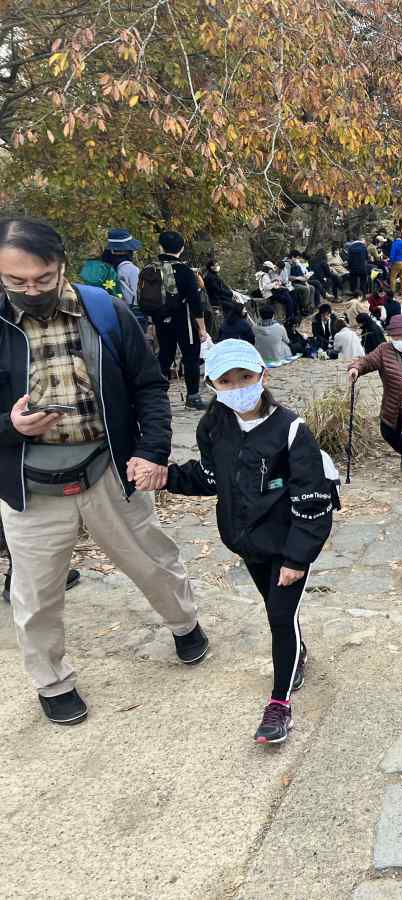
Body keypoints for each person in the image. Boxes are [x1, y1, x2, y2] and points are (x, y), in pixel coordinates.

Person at [0, 217, 208, 725]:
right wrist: (11, 427)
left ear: (62, 265)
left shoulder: (105, 312)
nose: (31, 291)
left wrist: (153, 451)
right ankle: (52, 682)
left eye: (42, 279)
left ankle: (185, 625)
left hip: (108, 468)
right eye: (15, 283)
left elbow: (149, 386)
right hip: (30, 487)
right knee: (36, 596)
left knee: (153, 561)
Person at [165, 339, 333, 744]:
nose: (238, 385)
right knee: (278, 615)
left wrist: (297, 558)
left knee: (279, 617)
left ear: (263, 375)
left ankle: (279, 704)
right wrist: (166, 477)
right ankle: (297, 653)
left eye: (245, 376)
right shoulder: (214, 427)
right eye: (226, 379)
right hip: (248, 543)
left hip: (288, 546)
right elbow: (210, 478)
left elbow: (313, 500)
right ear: (212, 384)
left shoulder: (290, 430)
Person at [348, 316, 402, 487]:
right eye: (396, 337)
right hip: (394, 402)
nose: (400, 341)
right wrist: (356, 368)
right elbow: (367, 361)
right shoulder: (384, 350)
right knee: (387, 432)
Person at [150, 231, 209, 410]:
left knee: (164, 356)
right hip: (184, 319)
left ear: (161, 247)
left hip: (161, 319)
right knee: (190, 357)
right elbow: (195, 301)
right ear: (182, 248)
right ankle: (193, 397)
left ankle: (156, 398)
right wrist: (202, 328)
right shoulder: (184, 270)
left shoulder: (151, 268)